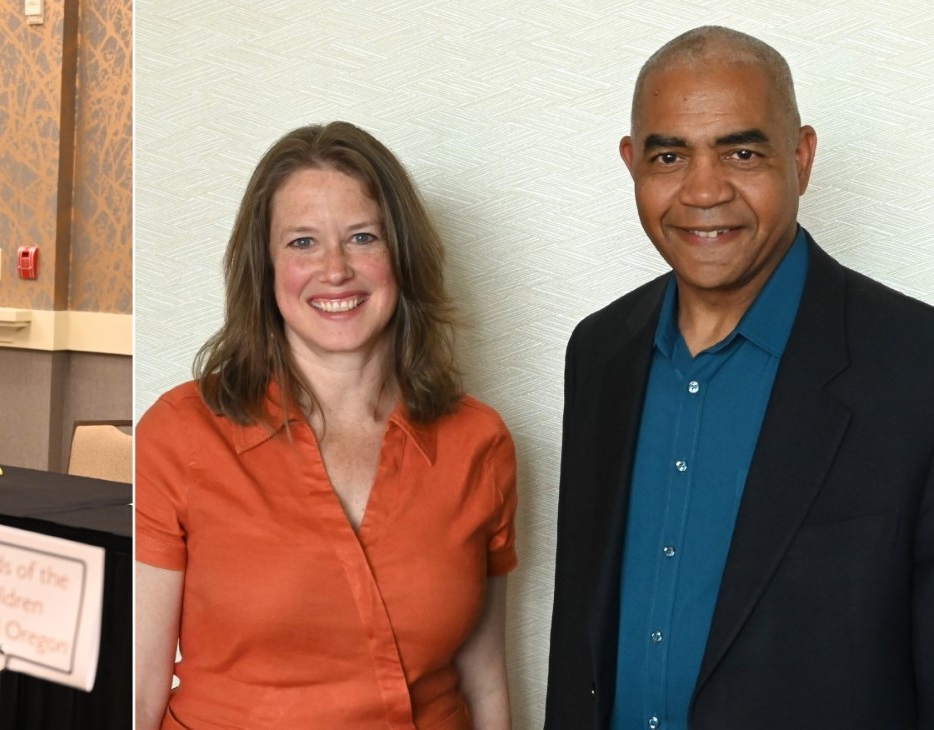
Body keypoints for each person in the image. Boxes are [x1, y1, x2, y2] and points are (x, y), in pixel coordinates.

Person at [544, 26, 934, 729]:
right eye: (670, 155)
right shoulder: (598, 353)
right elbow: (581, 640)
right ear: (633, 164)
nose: (703, 190)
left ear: (802, 157)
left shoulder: (917, 364)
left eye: (742, 152)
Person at [136, 121, 518, 730]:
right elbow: (139, 691)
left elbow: (485, 679)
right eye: (303, 243)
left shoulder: (481, 442)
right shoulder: (179, 433)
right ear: (264, 267)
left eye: (363, 237)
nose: (335, 269)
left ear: (402, 256)